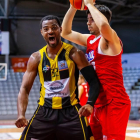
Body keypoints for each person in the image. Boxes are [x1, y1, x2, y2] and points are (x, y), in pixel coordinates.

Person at [15, 15, 100, 140]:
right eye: (46, 29)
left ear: (60, 29)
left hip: (71, 113)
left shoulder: (74, 53)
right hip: (45, 112)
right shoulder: (36, 58)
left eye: (54, 27)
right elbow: (24, 88)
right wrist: (21, 115)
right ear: (42, 32)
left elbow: (94, 81)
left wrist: (90, 104)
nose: (50, 31)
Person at [61, 0, 131, 139]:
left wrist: (90, 5)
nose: (88, 23)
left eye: (92, 19)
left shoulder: (111, 40)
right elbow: (65, 32)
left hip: (114, 102)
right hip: (97, 102)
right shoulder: (90, 40)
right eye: (88, 19)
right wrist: (72, 7)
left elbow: (104, 25)